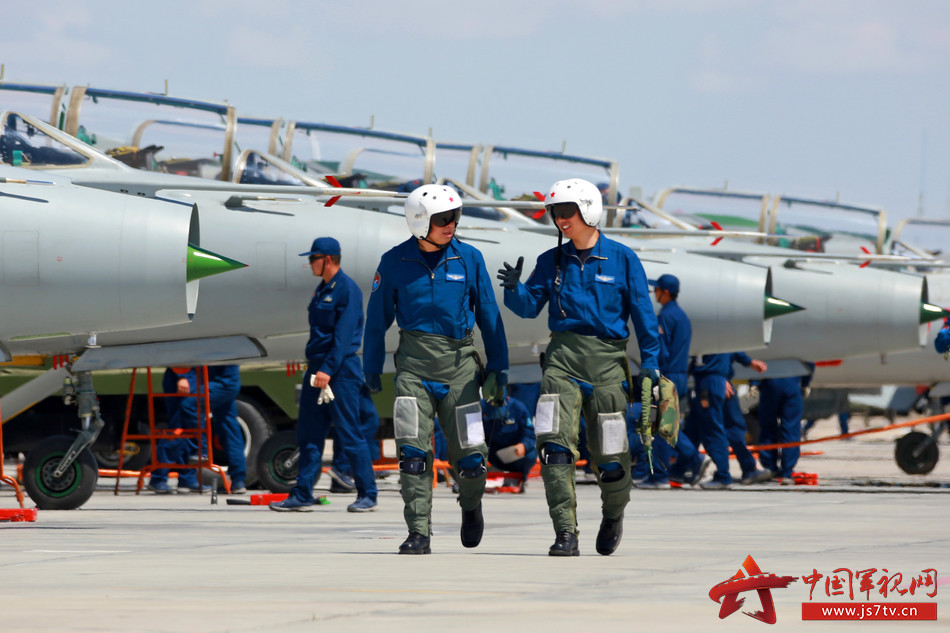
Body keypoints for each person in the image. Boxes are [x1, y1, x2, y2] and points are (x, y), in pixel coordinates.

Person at [498, 178, 660, 557]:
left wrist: (651, 366)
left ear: (588, 210)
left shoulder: (623, 259)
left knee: (612, 457)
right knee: (553, 446)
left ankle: (614, 512)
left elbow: (645, 319)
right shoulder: (549, 261)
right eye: (555, 213)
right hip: (562, 361)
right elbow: (527, 307)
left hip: (607, 366)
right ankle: (565, 533)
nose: (560, 219)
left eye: (567, 212)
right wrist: (514, 288)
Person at [363, 184, 508, 555]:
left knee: (473, 459)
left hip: (461, 368)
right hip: (413, 368)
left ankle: (471, 505)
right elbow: (376, 320)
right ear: (419, 221)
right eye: (443, 218)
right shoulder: (394, 263)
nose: (452, 224)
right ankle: (419, 532)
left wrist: (499, 369)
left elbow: (489, 316)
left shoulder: (470, 259)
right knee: (412, 454)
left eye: (455, 216)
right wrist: (370, 366)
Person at [270, 237, 378, 513]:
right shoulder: (323, 289)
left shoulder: (346, 290)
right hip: (318, 370)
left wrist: (327, 370)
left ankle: (368, 494)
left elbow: (342, 337)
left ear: (327, 259)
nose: (310, 264)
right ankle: (302, 493)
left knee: (350, 433)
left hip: (339, 371)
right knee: (309, 434)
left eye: (312, 259)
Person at [637, 273, 708, 489]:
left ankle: (662, 474)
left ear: (665, 292)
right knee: (667, 425)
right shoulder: (682, 316)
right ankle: (669, 469)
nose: (654, 293)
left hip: (667, 375)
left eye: (656, 289)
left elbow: (663, 352)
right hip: (679, 375)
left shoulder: (666, 317)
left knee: (660, 426)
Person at [147, 367, 203, 494]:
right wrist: (181, 376)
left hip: (192, 375)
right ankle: (158, 477)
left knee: (189, 431)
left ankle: (187, 477)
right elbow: (179, 351)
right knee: (177, 431)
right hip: (184, 375)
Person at [757, 367, 812, 484]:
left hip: (769, 384)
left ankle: (770, 468)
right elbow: (809, 362)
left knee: (768, 427)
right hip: (792, 386)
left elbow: (758, 360)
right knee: (791, 429)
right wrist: (806, 383)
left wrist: (754, 383)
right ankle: (787, 472)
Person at [722, 354, 771, 485]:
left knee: (732, 427)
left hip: (719, 380)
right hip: (715, 381)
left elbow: (729, 347)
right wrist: (718, 378)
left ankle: (679, 467)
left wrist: (749, 362)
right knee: (714, 430)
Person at [482, 396, 536, 492]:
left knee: (531, 454)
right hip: (492, 452)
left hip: (514, 453)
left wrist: (523, 445)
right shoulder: (481, 408)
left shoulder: (518, 408)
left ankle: (519, 477)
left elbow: (530, 434)